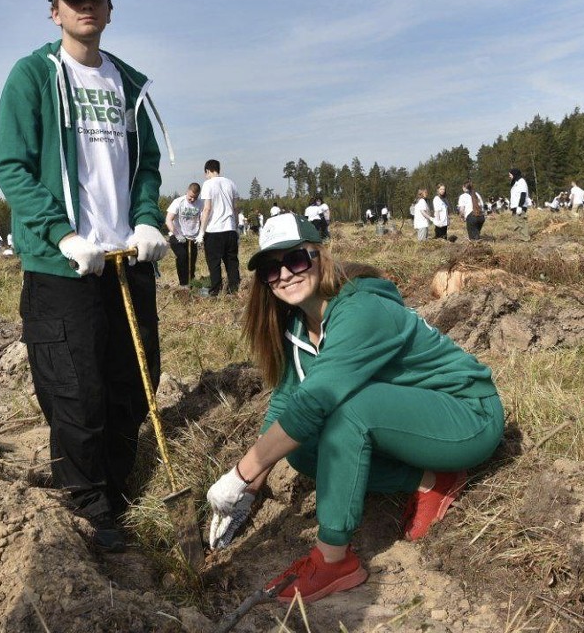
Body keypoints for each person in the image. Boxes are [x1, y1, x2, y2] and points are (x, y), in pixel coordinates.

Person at [205, 214, 504, 603]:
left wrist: (238, 475)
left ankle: (333, 561)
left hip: (466, 417)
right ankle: (431, 480)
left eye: (296, 259)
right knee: (305, 451)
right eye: (270, 268)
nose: (285, 275)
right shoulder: (297, 325)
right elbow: (285, 400)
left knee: (347, 412)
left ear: (319, 255)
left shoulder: (361, 309)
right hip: (406, 422)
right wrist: (252, 486)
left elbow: (316, 401)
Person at [0, 0, 171, 552]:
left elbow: (145, 166)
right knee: (76, 389)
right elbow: (12, 168)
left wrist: (146, 219)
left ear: (110, 6)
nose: (86, 6)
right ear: (55, 11)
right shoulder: (33, 77)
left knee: (132, 381)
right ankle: (88, 510)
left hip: (126, 261)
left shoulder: (129, 82)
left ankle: (119, 492)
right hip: (64, 267)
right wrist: (60, 233)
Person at [197, 159, 241, 296]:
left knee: (214, 262)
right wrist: (237, 227)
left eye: (206, 173)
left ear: (208, 171)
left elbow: (207, 209)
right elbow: (235, 208)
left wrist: (201, 232)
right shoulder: (231, 183)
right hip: (230, 228)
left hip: (214, 230)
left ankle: (215, 290)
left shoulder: (208, 184)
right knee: (232, 261)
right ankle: (233, 289)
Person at [165, 183, 203, 287]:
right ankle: (183, 284)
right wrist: (177, 234)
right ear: (187, 192)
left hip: (193, 237)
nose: (192, 200)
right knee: (182, 257)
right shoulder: (178, 202)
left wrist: (201, 233)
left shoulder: (200, 204)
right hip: (177, 236)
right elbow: (168, 220)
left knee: (191, 261)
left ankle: (191, 283)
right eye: (190, 197)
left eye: (195, 197)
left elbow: (203, 219)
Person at [509, 169, 530, 241]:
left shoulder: (522, 182)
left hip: (520, 206)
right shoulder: (515, 182)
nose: (509, 176)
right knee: (518, 223)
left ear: (514, 174)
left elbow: (523, 194)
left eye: (510, 174)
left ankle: (526, 239)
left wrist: (520, 206)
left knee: (522, 223)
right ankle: (522, 238)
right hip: (515, 206)